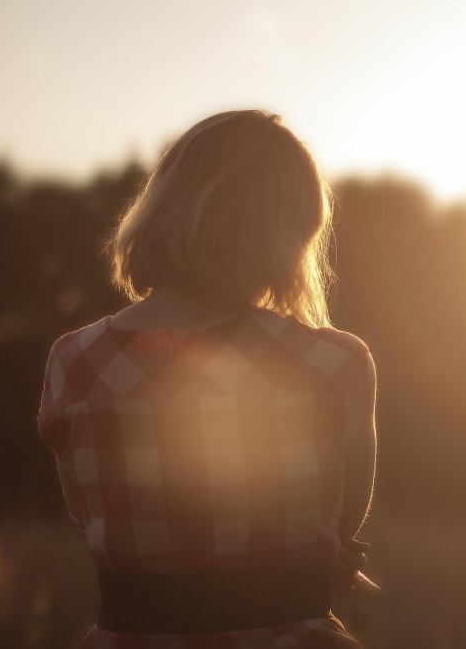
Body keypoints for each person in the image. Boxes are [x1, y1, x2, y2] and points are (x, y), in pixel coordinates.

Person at [36, 110, 377, 648]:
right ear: (290, 231)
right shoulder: (333, 363)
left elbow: (93, 520)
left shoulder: (74, 361)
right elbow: (340, 524)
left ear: (164, 205)